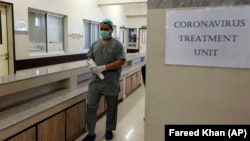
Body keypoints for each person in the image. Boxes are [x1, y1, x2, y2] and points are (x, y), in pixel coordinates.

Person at [83, 19, 126, 141]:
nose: (103, 31)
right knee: (91, 106)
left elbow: (122, 61)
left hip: (110, 81)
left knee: (111, 107)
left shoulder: (117, 45)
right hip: (95, 82)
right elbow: (89, 56)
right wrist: (91, 64)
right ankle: (91, 133)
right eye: (101, 29)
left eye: (106, 29)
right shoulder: (95, 44)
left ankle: (109, 129)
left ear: (111, 30)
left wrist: (104, 67)